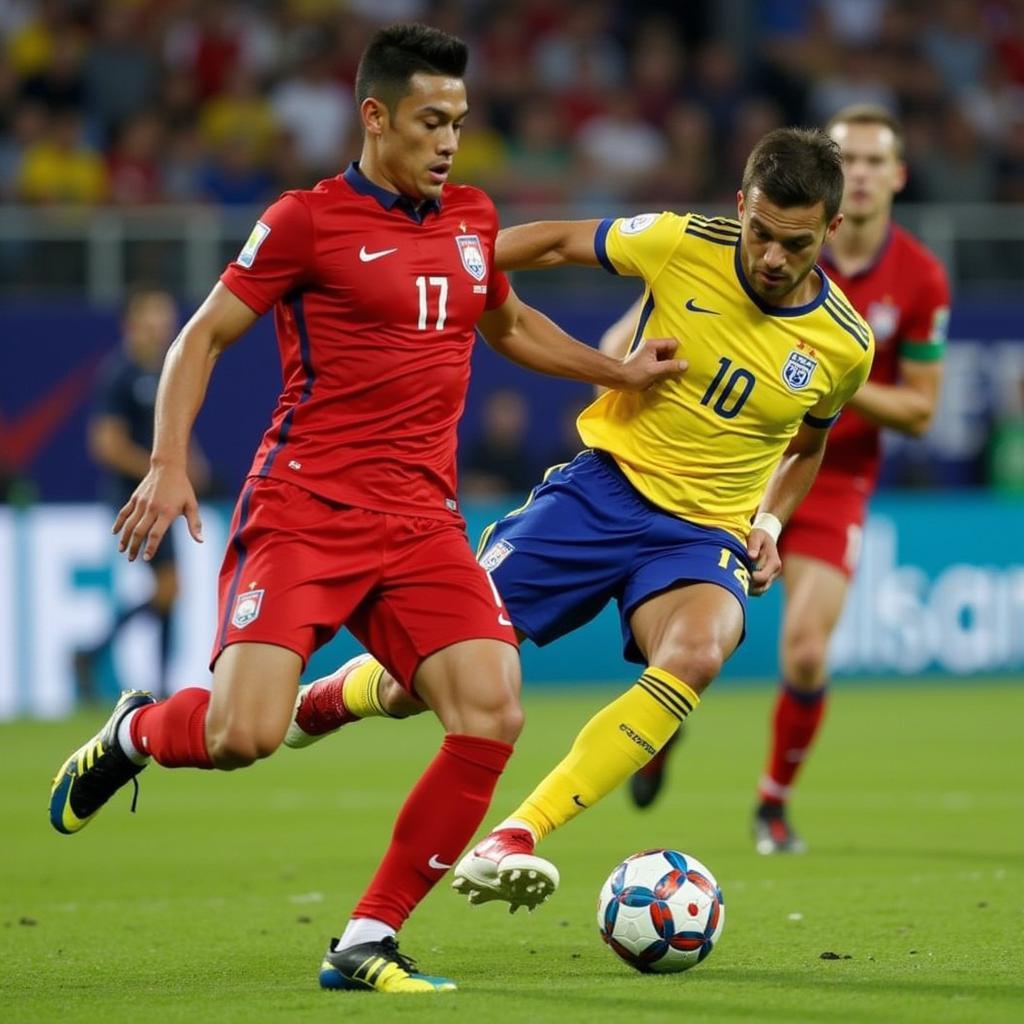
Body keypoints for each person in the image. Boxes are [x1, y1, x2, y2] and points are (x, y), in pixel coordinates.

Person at [47, 23, 683, 995]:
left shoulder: (472, 217)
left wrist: (617, 370)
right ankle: (138, 732)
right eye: (430, 121)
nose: (447, 142)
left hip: (421, 520)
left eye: (459, 123)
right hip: (304, 510)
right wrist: (168, 461)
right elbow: (200, 337)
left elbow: (508, 322)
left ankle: (365, 938)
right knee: (241, 737)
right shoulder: (305, 221)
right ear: (374, 116)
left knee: (490, 706)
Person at [285, 126, 875, 912]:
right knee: (423, 683)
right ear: (740, 206)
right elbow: (562, 242)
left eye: (793, 244)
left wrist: (766, 524)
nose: (770, 256)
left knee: (699, 650)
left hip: (702, 536)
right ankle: (333, 698)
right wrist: (452, 257)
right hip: (599, 494)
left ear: (830, 229)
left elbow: (808, 444)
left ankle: (516, 835)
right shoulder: (680, 241)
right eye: (759, 232)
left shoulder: (844, 344)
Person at [624, 106, 949, 855]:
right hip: (736, 462)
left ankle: (772, 805)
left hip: (832, 477)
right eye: (850, 158)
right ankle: (663, 733)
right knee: (677, 644)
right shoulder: (771, 241)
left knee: (804, 650)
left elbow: (921, 411)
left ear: (896, 176)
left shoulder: (921, 278)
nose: (861, 172)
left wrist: (824, 375)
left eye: (875, 161)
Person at [73, 288, 208, 703]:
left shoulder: (165, 372)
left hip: (161, 495)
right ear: (130, 326)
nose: (159, 332)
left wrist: (191, 468)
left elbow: (171, 434)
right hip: (135, 496)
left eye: (165, 324)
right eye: (150, 323)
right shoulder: (120, 374)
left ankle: (157, 681)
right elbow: (106, 444)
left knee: (172, 587)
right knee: (169, 587)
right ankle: (94, 653)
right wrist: (161, 474)